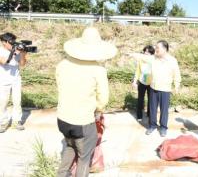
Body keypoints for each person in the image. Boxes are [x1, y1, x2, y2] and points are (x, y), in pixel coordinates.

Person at [56, 27, 117, 177]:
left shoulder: (62, 64)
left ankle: (61, 174)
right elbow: (103, 98)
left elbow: (60, 87)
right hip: (83, 122)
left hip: (63, 119)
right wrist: (98, 109)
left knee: (70, 146)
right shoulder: (98, 70)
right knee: (84, 158)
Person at [0, 32, 27, 133]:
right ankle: (3, 122)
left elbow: (23, 64)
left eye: (13, 42)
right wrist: (13, 52)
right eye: (10, 42)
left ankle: (17, 121)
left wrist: (23, 53)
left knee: (17, 101)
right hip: (2, 80)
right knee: (2, 102)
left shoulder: (17, 51)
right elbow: (4, 62)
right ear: (3, 42)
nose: (12, 44)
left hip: (16, 79)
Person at [132, 45, 155, 121]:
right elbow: (137, 71)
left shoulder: (154, 60)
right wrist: (134, 81)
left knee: (151, 99)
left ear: (152, 53)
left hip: (151, 83)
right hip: (142, 82)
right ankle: (139, 116)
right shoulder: (140, 61)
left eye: (148, 52)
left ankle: (149, 114)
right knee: (140, 99)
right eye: (145, 51)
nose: (146, 53)